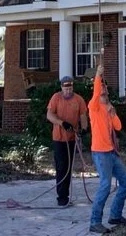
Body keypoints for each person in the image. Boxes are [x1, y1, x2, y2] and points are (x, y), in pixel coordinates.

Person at [88, 63, 126, 233]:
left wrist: (112, 113)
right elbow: (95, 92)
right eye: (102, 90)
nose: (104, 91)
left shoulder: (108, 108)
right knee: (105, 186)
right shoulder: (93, 107)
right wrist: (98, 75)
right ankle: (95, 222)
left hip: (111, 152)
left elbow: (118, 126)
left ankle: (115, 215)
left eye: (105, 90)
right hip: (100, 153)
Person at [46, 74, 88, 207]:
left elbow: (83, 115)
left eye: (70, 89)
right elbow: (49, 115)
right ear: (62, 88)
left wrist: (84, 129)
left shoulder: (78, 99)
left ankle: (66, 195)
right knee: (61, 166)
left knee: (69, 167)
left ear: (72, 87)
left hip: (72, 138)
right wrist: (61, 123)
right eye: (66, 89)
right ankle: (61, 196)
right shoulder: (56, 98)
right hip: (59, 138)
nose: (68, 91)